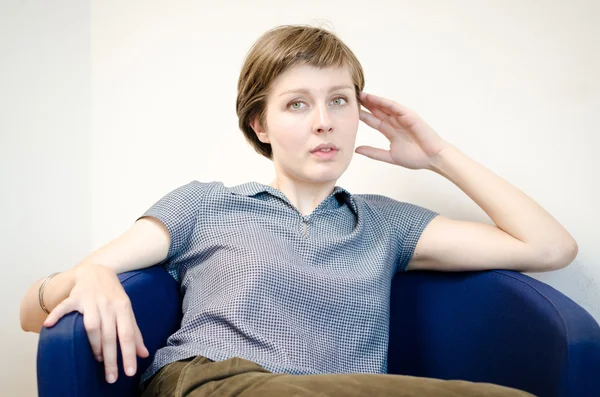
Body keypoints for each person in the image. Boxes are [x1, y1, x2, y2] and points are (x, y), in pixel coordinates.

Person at [20, 24, 577, 397]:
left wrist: (438, 156)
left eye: (340, 100)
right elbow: (29, 312)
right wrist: (86, 274)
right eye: (296, 104)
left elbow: (550, 247)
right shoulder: (208, 205)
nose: (323, 121)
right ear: (259, 125)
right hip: (217, 384)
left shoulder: (385, 225)